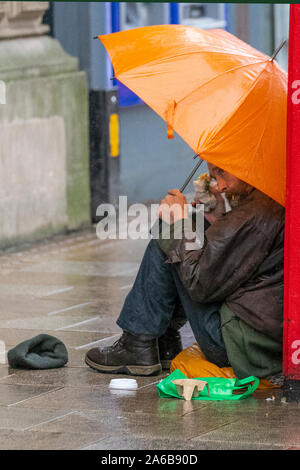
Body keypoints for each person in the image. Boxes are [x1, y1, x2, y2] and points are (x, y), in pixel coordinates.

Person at [85, 162, 284, 380]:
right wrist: (218, 216)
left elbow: (200, 284)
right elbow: (239, 256)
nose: (222, 185)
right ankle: (163, 339)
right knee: (193, 226)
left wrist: (178, 223)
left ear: (244, 162)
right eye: (214, 175)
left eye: (222, 172)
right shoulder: (270, 199)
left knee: (168, 238)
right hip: (258, 339)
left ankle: (140, 341)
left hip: (238, 346)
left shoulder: (256, 213)